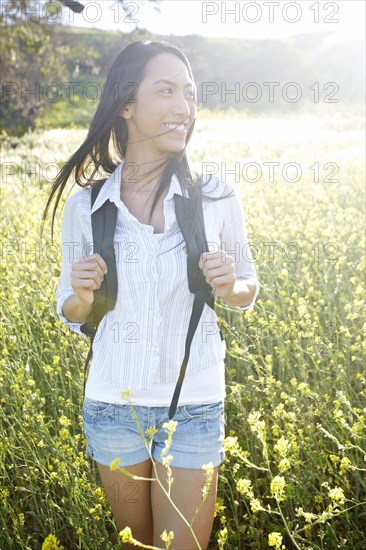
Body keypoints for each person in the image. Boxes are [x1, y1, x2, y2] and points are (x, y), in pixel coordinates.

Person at [43, 41, 260, 549]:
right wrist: (80, 292)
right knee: (137, 544)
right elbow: (72, 313)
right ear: (126, 104)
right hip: (112, 407)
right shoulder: (88, 205)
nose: (184, 107)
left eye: (189, 93)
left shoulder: (216, 196)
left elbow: (247, 290)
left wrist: (232, 285)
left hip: (195, 407)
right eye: (166, 91)